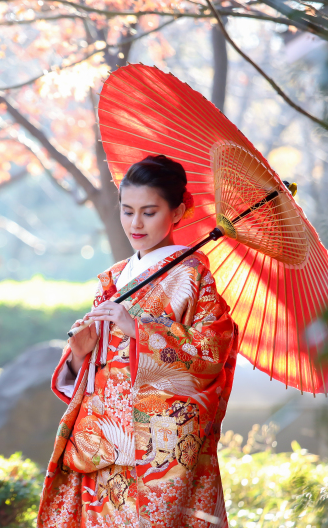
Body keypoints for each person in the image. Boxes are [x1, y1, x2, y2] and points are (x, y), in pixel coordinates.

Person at [37, 155, 238, 528]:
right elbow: (98, 369)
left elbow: (210, 355)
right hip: (99, 448)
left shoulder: (193, 279)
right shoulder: (114, 279)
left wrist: (138, 330)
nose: (135, 223)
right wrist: (79, 356)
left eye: (149, 212)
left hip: (156, 456)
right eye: (127, 211)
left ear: (178, 212)